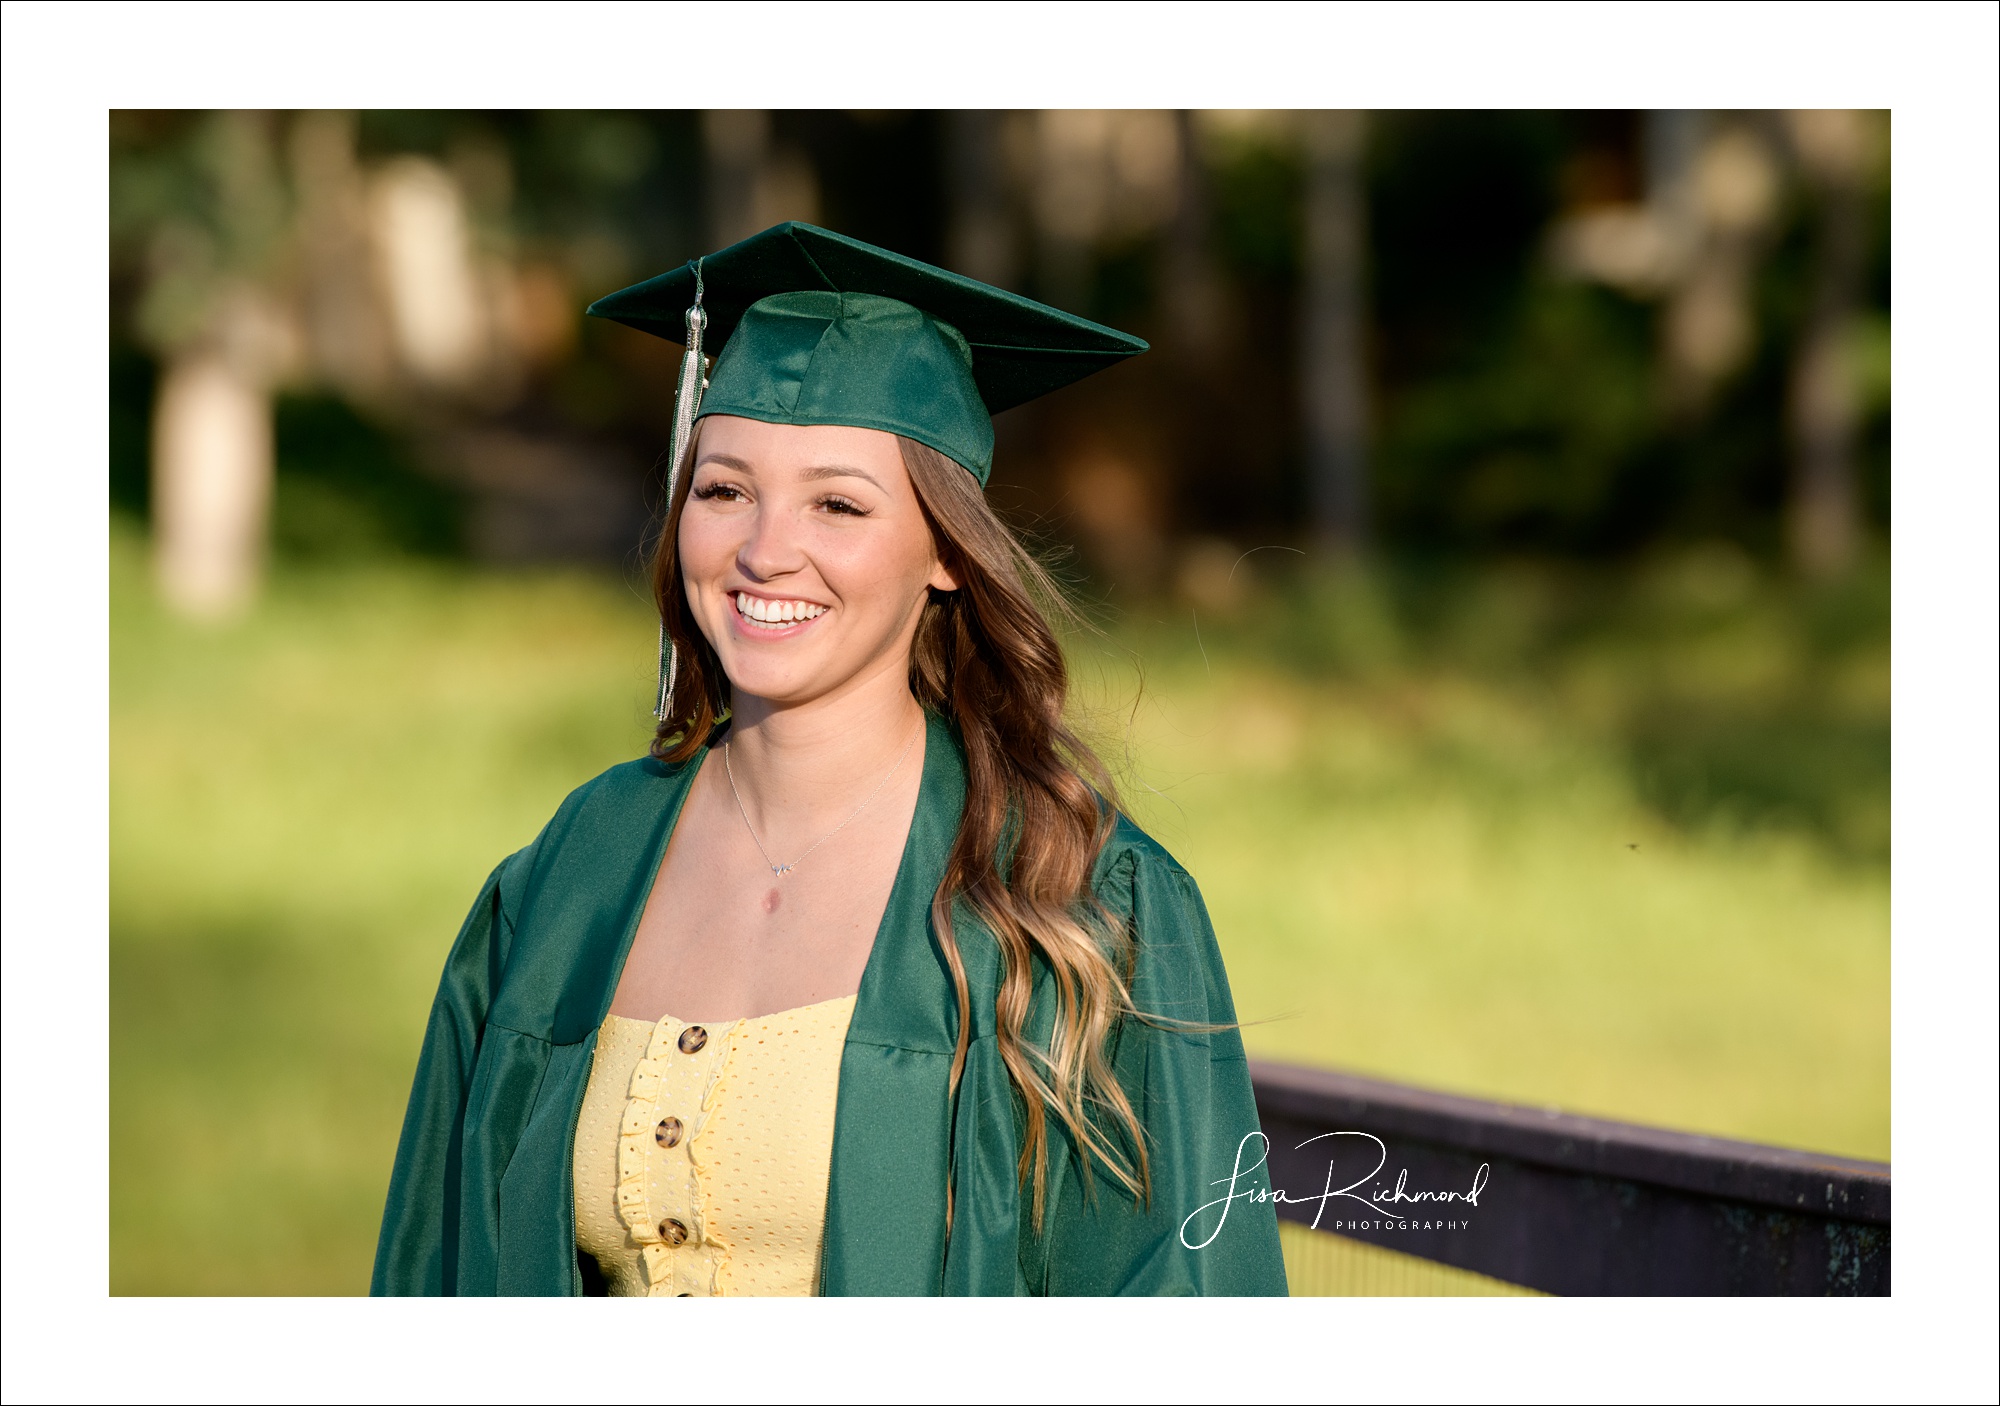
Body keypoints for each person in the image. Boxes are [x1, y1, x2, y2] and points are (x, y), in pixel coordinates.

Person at [371, 222, 1287, 1296]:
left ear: (946, 550)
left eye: (838, 503)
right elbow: (436, 1267)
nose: (764, 549)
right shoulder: (573, 868)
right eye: (722, 490)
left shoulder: (1071, 898)